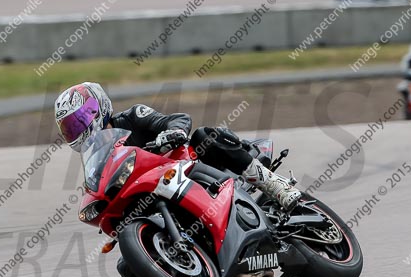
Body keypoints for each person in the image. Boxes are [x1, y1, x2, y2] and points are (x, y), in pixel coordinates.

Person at [54, 82, 301, 211]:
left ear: (96, 108)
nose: (76, 129)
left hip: (188, 166)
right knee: (128, 270)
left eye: (79, 120)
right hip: (158, 193)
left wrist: (173, 133)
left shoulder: (132, 117)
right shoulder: (97, 158)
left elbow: (176, 119)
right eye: (69, 128)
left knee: (205, 136)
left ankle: (273, 184)